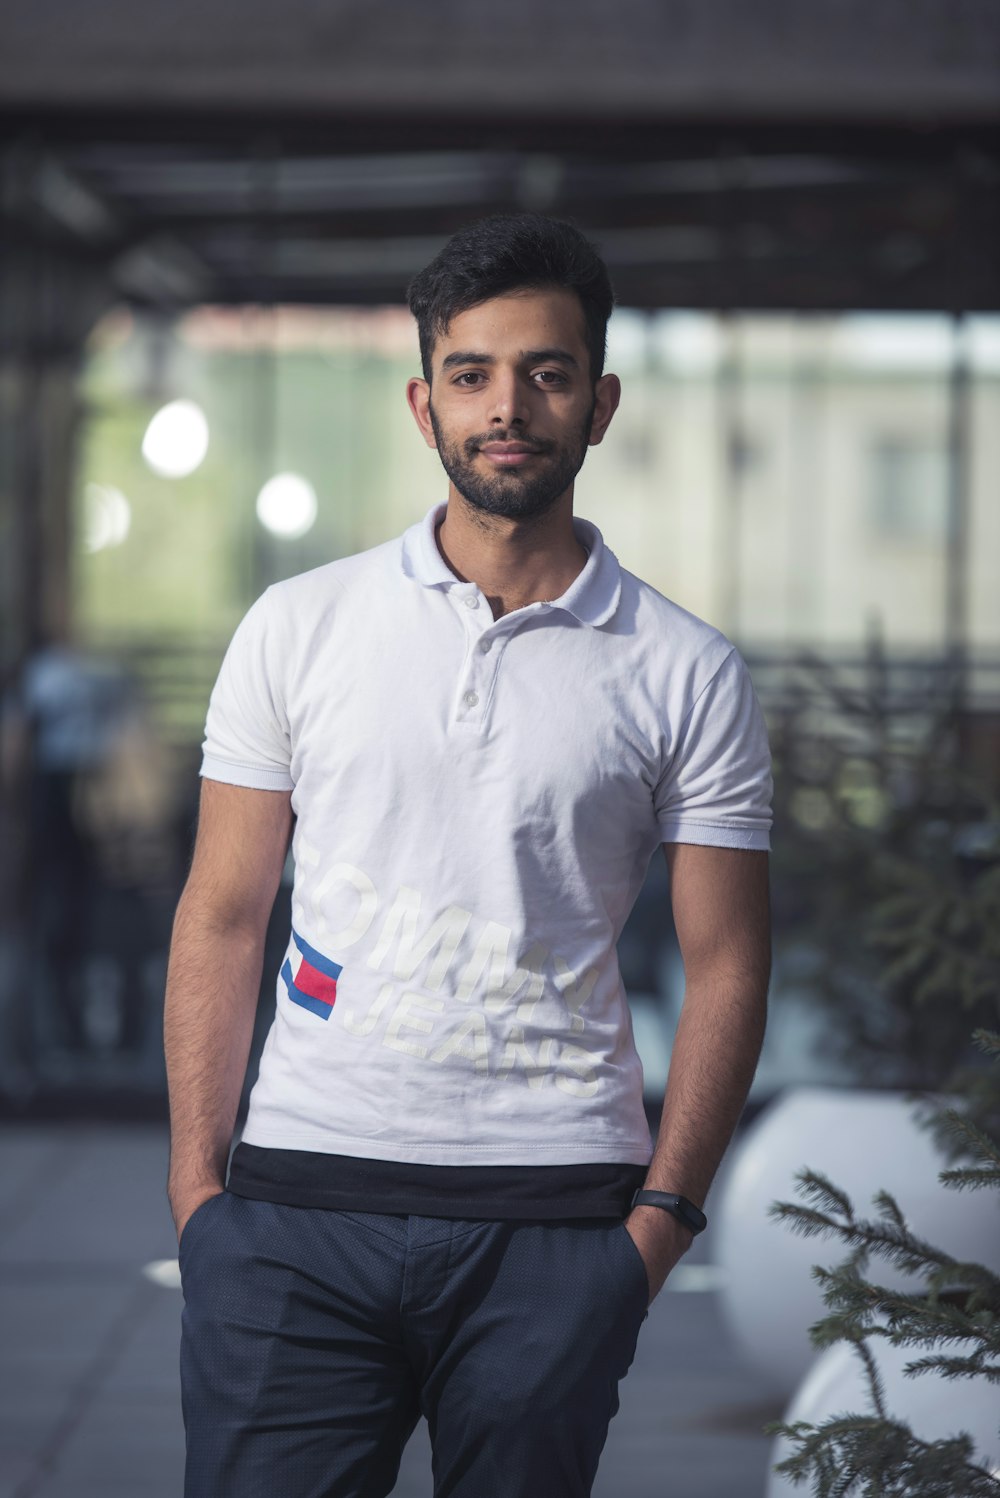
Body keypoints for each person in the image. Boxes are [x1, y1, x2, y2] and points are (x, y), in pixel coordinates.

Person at [165, 212, 772, 1498]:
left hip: (555, 1220)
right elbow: (224, 912)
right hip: (293, 1213)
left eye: (546, 373)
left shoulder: (686, 670)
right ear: (422, 400)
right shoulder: (297, 627)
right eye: (472, 373)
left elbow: (726, 963)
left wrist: (655, 1229)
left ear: (598, 403)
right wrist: (197, 1198)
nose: (509, 406)